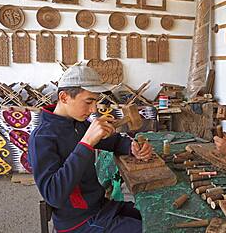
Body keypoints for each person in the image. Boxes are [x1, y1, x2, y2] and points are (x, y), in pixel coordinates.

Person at [29, 62, 152, 232]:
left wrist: (131, 147)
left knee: (154, 216)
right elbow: (53, 195)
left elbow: (113, 142)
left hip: (101, 207)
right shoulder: (42, 138)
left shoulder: (78, 123)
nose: (94, 109)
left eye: (95, 101)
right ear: (64, 97)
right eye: (88, 101)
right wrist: (86, 143)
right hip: (78, 222)